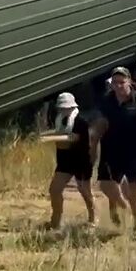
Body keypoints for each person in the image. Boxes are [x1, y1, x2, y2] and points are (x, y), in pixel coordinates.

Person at [90, 66, 136, 233]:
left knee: (133, 193)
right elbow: (99, 124)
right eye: (115, 82)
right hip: (111, 150)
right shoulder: (107, 101)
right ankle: (123, 208)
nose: (118, 86)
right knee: (106, 185)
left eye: (122, 82)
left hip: (135, 152)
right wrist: (93, 142)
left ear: (129, 81)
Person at [44, 92, 96, 229]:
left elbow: (70, 139)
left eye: (64, 107)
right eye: (60, 107)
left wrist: (48, 139)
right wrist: (45, 135)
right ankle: (56, 220)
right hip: (65, 162)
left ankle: (93, 218)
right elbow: (58, 133)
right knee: (54, 190)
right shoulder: (60, 119)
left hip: (81, 161)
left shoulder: (81, 121)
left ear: (72, 107)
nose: (62, 110)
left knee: (85, 191)